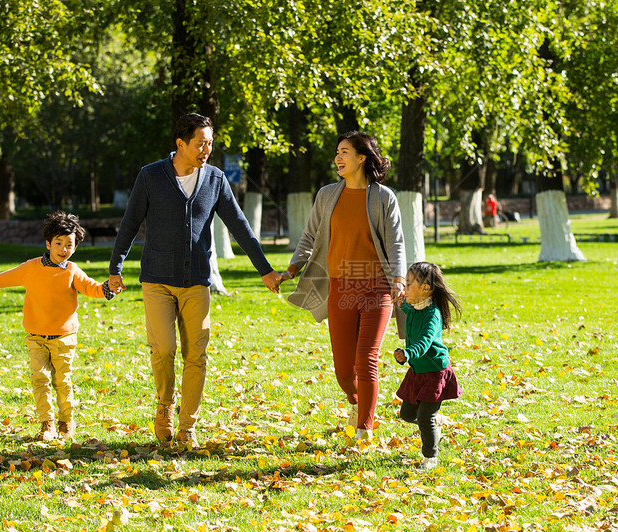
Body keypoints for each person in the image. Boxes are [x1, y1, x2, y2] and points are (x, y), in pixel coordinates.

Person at [108, 112, 281, 449]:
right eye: (201, 143)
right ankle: (164, 407)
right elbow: (130, 223)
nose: (206, 150)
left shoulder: (215, 180)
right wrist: (116, 267)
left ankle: (187, 426)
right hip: (157, 279)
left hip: (197, 280)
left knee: (196, 354)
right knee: (164, 349)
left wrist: (265, 269)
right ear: (180, 144)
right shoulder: (151, 176)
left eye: (210, 144)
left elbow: (240, 226)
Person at [280, 131, 406, 443]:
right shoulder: (326, 195)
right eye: (337, 151)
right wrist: (292, 268)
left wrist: (399, 279)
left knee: (367, 360)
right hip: (340, 288)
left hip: (377, 289)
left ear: (362, 158)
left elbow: (396, 243)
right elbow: (310, 236)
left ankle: (364, 430)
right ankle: (359, 404)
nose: (338, 157)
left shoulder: (382, 197)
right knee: (342, 371)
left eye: (345, 151)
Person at [0, 211, 116, 441]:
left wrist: (108, 288)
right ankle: (47, 424)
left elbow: (91, 287)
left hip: (64, 338)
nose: (63, 249)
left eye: (69, 245)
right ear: (48, 243)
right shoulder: (31, 268)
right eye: (58, 243)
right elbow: (6, 277)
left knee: (62, 381)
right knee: (40, 379)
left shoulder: (72, 270)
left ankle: (66, 421)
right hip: (36, 337)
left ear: (75, 247)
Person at [393, 261, 462, 471]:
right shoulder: (416, 306)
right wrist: (402, 303)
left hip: (434, 372)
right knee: (406, 414)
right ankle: (435, 422)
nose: (405, 288)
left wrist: (407, 353)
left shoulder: (432, 315)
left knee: (424, 417)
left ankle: (430, 458)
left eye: (409, 284)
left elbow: (423, 342)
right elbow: (411, 309)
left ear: (425, 288)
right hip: (418, 372)